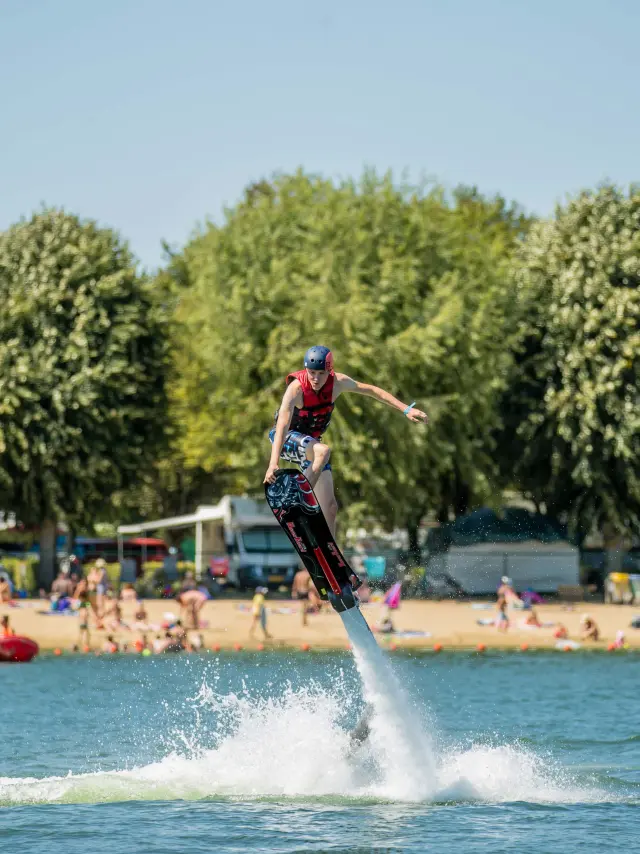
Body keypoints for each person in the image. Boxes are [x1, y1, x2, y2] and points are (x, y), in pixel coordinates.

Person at [263, 346, 427, 536]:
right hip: (285, 439)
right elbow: (283, 424)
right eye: (311, 373)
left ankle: (329, 559)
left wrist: (406, 409)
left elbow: (372, 390)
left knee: (331, 508)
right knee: (323, 451)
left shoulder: (338, 383)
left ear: (329, 371)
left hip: (311, 446)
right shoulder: (297, 388)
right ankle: (297, 501)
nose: (315, 378)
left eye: (321, 373)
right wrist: (273, 463)